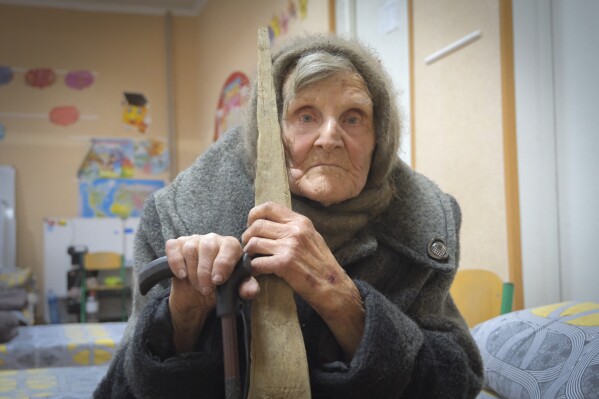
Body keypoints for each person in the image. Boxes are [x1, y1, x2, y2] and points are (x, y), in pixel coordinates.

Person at [94, 33, 484, 398]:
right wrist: (184, 318)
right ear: (271, 132)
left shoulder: (421, 226)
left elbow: (457, 382)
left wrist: (340, 296)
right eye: (305, 116)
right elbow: (121, 390)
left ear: (378, 137)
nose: (330, 137)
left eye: (352, 118)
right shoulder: (178, 216)